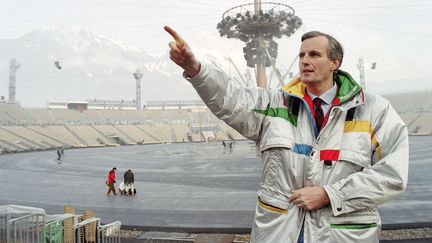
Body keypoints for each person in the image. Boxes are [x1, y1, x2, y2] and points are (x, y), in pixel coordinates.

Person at [165, 26, 409, 243]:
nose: (304, 60)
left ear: (335, 63)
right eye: (301, 55)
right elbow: (231, 99)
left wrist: (330, 194)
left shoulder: (374, 110)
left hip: (341, 233)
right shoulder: (274, 105)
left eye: (314, 54)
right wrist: (195, 69)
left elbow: (392, 174)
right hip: (280, 232)